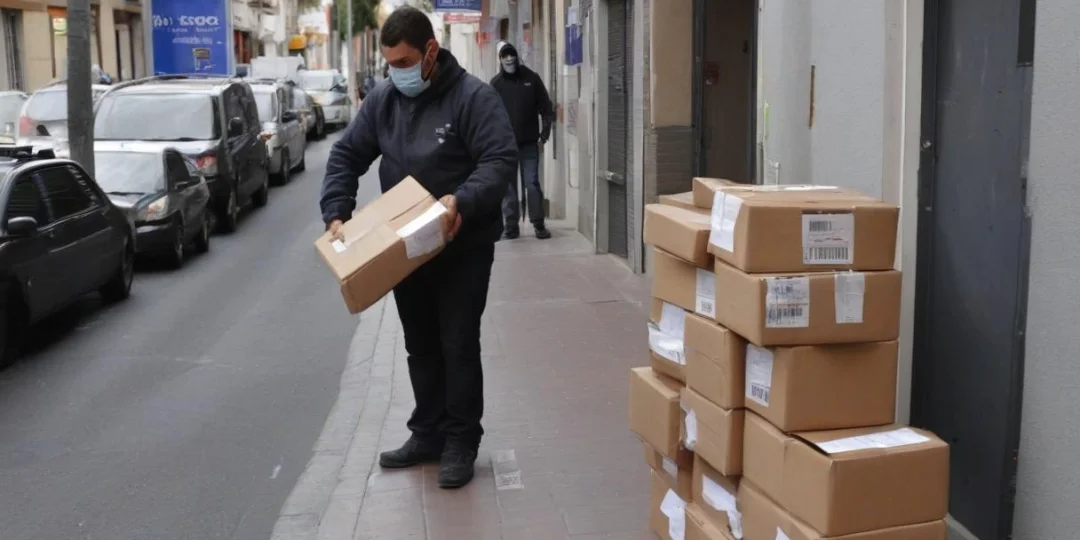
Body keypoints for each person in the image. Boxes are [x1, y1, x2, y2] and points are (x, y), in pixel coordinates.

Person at [320, 6, 517, 489]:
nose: (397, 73)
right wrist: (337, 209)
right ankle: (427, 433)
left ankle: (461, 441)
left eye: (405, 63)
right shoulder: (384, 101)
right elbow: (347, 154)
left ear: (431, 51)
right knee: (420, 344)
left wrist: (462, 199)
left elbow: (498, 158)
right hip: (406, 248)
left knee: (457, 343)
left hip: (461, 246)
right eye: (391, 64)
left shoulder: (474, 98)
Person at [490, 42, 555, 240]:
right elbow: (489, 116)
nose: (509, 59)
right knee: (508, 188)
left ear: (517, 56)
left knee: (532, 183)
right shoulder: (496, 84)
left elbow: (546, 109)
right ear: (500, 59)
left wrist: (544, 136)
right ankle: (511, 227)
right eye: (505, 56)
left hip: (529, 145)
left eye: (512, 55)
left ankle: (538, 224)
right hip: (505, 146)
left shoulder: (531, 79)